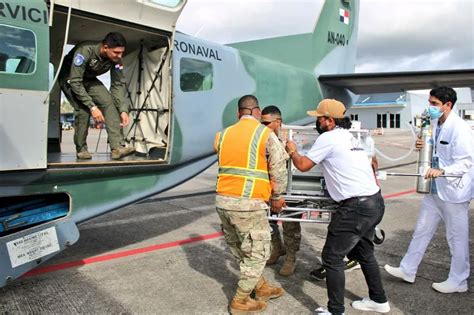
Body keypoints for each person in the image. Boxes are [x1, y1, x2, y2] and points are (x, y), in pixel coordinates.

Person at [286, 99, 390, 314]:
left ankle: (335, 311)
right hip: (374, 202)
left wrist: (293, 151)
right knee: (365, 254)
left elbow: (303, 166)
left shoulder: (329, 137)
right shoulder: (351, 137)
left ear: (330, 121)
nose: (317, 122)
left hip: (355, 208)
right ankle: (379, 300)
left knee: (332, 257)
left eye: (319, 118)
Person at [384, 87, 473, 294]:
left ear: (447, 105)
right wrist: (421, 144)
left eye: (434, 104)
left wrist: (441, 171)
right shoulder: (435, 123)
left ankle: (459, 280)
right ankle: (408, 269)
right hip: (434, 188)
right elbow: (433, 147)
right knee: (422, 229)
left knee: (456, 237)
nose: (430, 107)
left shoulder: (460, 129)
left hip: (453, 191)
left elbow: (466, 162)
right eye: (430, 103)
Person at [214, 95, 287, 314]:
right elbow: (278, 166)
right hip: (249, 204)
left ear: (238, 113)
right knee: (258, 252)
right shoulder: (264, 133)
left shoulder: (222, 135)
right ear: (257, 111)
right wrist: (278, 195)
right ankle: (240, 301)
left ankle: (262, 287)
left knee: (242, 249)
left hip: (223, 202)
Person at [59, 32, 135, 160]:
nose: (120, 56)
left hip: (89, 79)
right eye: (116, 52)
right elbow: (75, 82)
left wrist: (123, 109)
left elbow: (117, 85)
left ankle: (117, 148)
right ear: (105, 48)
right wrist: (92, 107)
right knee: (83, 111)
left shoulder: (116, 60)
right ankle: (81, 149)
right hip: (70, 78)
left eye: (121, 52)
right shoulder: (85, 51)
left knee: (109, 103)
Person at [260, 105, 297, 276]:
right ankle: (277, 249)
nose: (263, 125)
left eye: (266, 122)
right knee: (269, 222)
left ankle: (291, 258)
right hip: (268, 188)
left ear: (278, 122)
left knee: (290, 224)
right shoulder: (262, 137)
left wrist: (279, 195)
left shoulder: (290, 138)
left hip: (287, 190)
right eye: (262, 121)